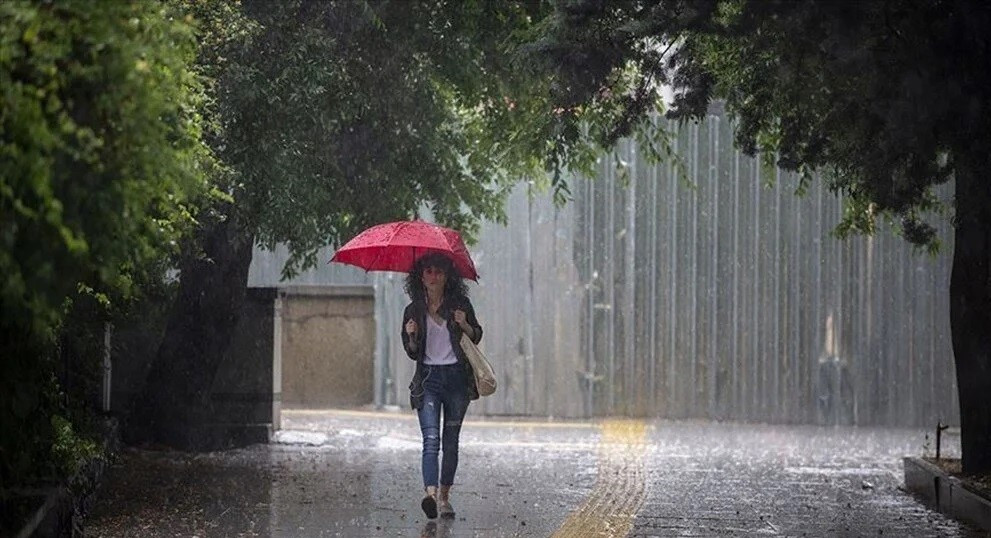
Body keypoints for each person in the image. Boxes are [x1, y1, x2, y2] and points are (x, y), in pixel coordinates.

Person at [401, 252, 483, 520]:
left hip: (457, 379)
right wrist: (412, 336)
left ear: (448, 276)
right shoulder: (413, 310)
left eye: (438, 271)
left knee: (450, 442)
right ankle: (430, 494)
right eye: (428, 271)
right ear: (420, 277)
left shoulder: (459, 305)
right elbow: (413, 352)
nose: (433, 276)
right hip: (428, 380)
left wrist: (464, 324)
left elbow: (477, 335)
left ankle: (445, 496)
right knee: (431, 439)